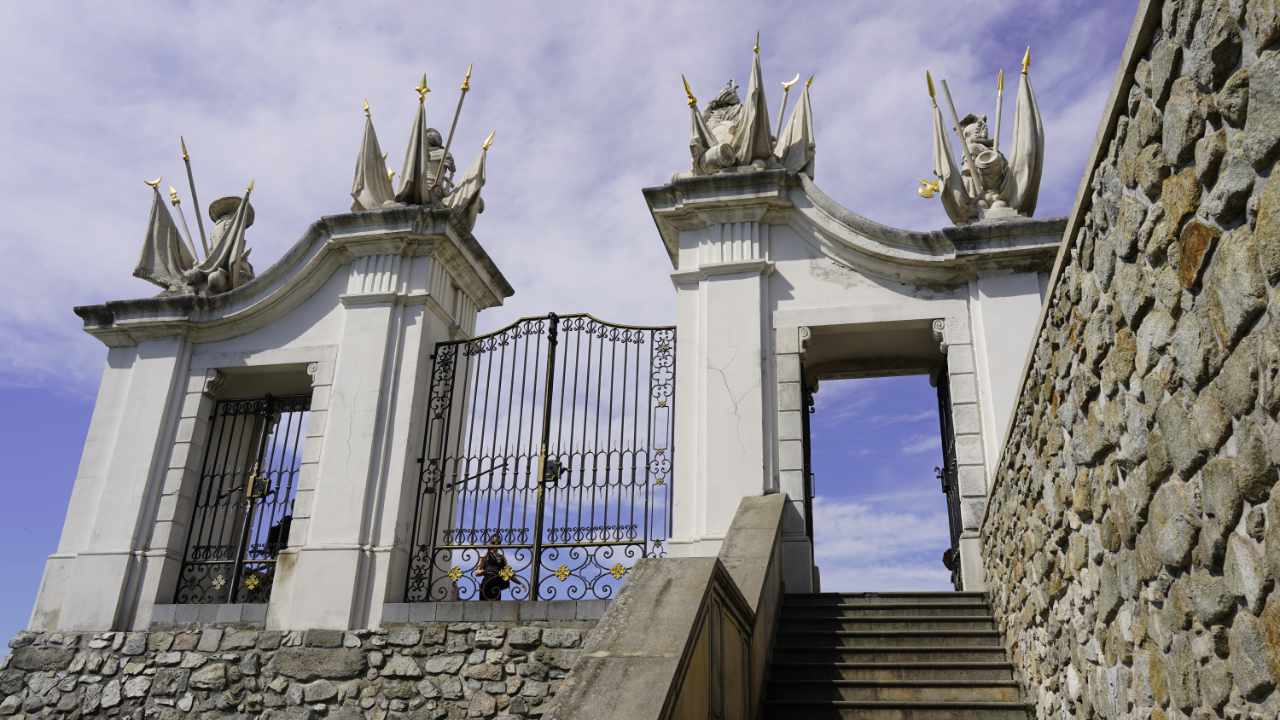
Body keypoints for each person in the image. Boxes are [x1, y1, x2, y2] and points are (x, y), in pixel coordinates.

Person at [474, 533, 511, 600]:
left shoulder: (502, 558)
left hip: (496, 584)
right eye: (493, 542)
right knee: (483, 606)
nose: (496, 545)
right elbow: (476, 572)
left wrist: (519, 583)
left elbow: (508, 573)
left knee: (496, 607)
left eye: (498, 543)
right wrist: (486, 571)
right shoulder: (485, 556)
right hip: (486, 583)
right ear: (490, 543)